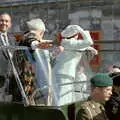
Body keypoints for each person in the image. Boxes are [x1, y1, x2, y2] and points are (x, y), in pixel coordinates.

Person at [19, 18, 62, 105]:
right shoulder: (29, 36)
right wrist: (39, 44)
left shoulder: (29, 37)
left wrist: (53, 51)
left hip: (32, 80)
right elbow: (33, 42)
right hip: (27, 81)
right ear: (41, 32)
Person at [52, 25, 94, 106]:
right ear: (76, 34)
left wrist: (90, 49)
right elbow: (89, 42)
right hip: (65, 73)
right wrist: (83, 31)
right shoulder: (70, 42)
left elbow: (81, 46)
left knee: (63, 95)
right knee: (63, 97)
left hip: (62, 72)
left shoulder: (66, 42)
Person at [0, 12, 18, 102]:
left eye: (6, 21)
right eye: (1, 20)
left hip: (10, 80)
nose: (4, 23)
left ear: (10, 24)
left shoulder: (12, 39)